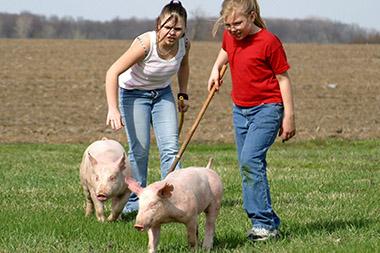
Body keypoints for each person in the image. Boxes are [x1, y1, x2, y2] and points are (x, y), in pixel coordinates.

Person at [208, 0, 296, 242]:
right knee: (248, 165)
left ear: (252, 16)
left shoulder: (269, 42)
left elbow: (283, 79)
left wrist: (289, 116)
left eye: (238, 23)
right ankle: (263, 222)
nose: (233, 29)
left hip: (267, 109)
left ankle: (264, 224)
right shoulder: (230, 37)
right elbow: (225, 49)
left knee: (250, 161)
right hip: (240, 110)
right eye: (228, 24)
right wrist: (216, 68)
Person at [105, 0, 190, 215]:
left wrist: (183, 93)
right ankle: (135, 201)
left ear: (184, 30)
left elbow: (184, 66)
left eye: (178, 29)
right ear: (158, 25)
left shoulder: (184, 44)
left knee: (171, 148)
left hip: (162, 94)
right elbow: (112, 72)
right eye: (167, 27)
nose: (172, 33)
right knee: (139, 151)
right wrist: (113, 108)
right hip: (134, 95)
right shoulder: (145, 44)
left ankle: (173, 197)